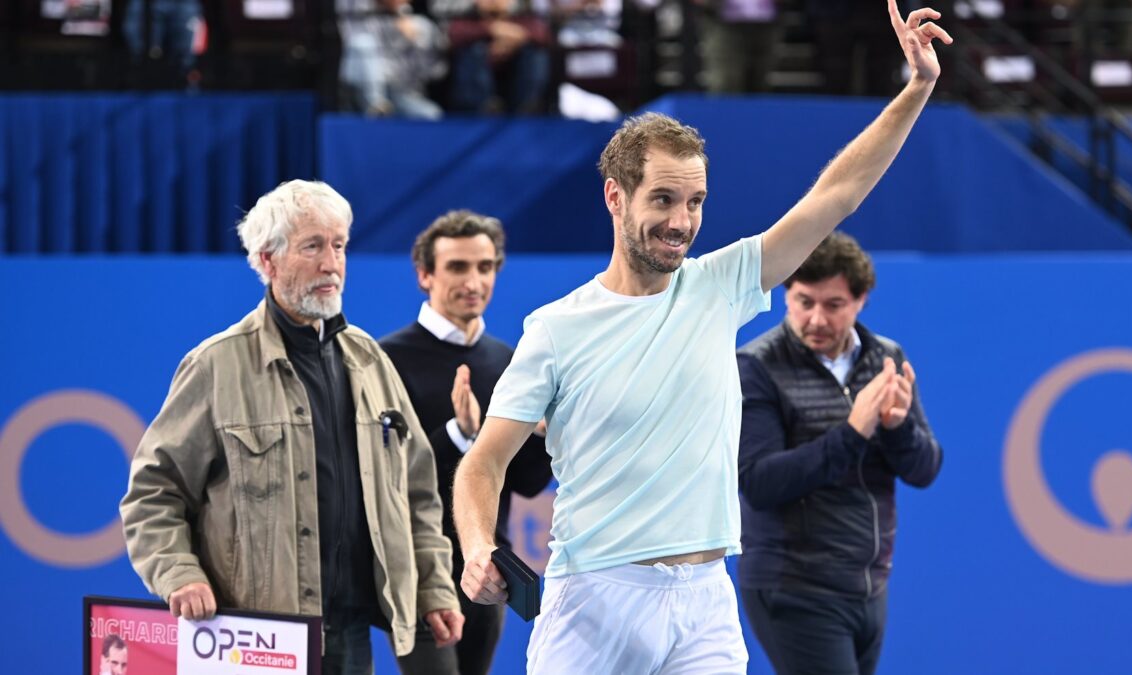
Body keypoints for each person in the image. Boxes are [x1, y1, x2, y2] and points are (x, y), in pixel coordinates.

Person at [453, 1, 951, 671]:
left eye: (694, 202)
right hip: (594, 598)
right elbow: (483, 462)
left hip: (704, 605)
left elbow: (839, 193)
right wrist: (481, 543)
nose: (681, 221)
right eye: (662, 199)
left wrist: (916, 88)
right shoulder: (557, 328)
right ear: (615, 197)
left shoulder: (721, 285)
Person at [119, 179, 463, 674]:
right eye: (313, 247)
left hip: (349, 630)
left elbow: (416, 491)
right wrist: (178, 573)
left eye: (339, 246)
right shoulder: (217, 365)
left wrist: (432, 587)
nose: (331, 263)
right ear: (267, 261)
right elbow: (153, 492)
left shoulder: (370, 360)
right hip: (254, 636)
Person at [736, 233, 943, 675]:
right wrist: (853, 431)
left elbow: (925, 469)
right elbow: (758, 483)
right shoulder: (756, 367)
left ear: (861, 300)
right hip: (793, 587)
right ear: (785, 294)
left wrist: (897, 426)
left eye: (833, 305)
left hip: (869, 587)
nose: (815, 318)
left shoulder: (886, 358)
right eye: (803, 301)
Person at [380, 210, 553, 675]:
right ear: (424, 275)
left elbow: (527, 485)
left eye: (485, 266)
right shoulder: (386, 360)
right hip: (416, 570)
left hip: (488, 572)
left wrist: (544, 436)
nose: (473, 280)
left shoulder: (508, 360)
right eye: (457, 267)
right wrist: (461, 434)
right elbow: (387, 478)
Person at [338, 0, 449, 119]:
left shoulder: (419, 24)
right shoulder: (360, 8)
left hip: (399, 92)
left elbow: (436, 72)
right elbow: (353, 39)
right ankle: (376, 106)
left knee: (432, 114)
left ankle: (383, 112)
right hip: (361, 85)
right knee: (363, 44)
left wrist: (417, 42)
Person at [446, 0, 552, 114]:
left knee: (535, 54)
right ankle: (482, 111)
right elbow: (454, 34)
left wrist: (514, 39)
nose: (493, 1)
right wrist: (491, 29)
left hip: (514, 82)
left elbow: (543, 35)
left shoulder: (523, 15)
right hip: (473, 92)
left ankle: (527, 108)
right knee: (474, 50)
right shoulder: (467, 17)